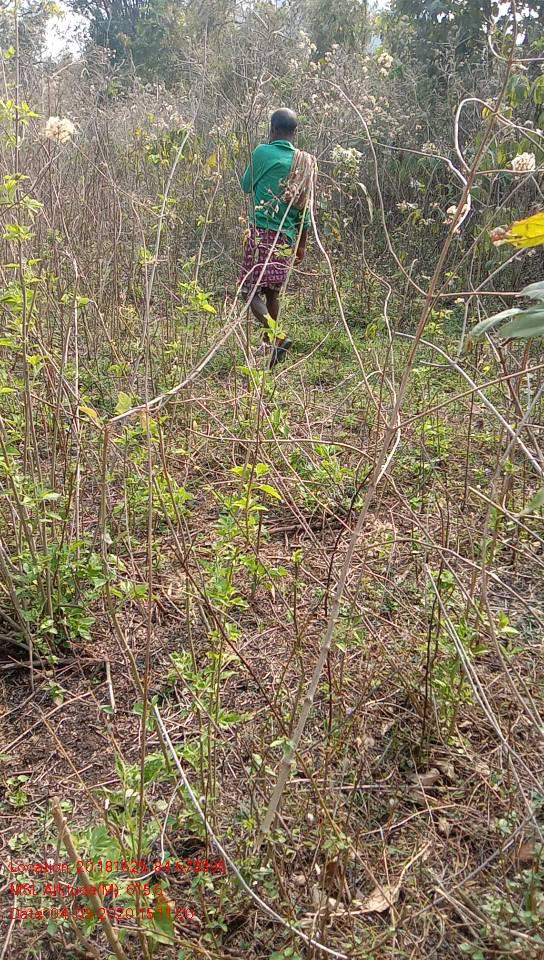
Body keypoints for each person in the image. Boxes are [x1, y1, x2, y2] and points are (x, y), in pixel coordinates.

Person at [239, 108, 316, 369]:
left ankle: (277, 336)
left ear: (272, 129)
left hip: (261, 233)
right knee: (272, 291)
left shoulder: (262, 152)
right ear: (295, 132)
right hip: (287, 236)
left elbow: (245, 185)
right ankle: (268, 344)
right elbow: (305, 209)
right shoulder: (304, 162)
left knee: (248, 292)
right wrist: (302, 245)